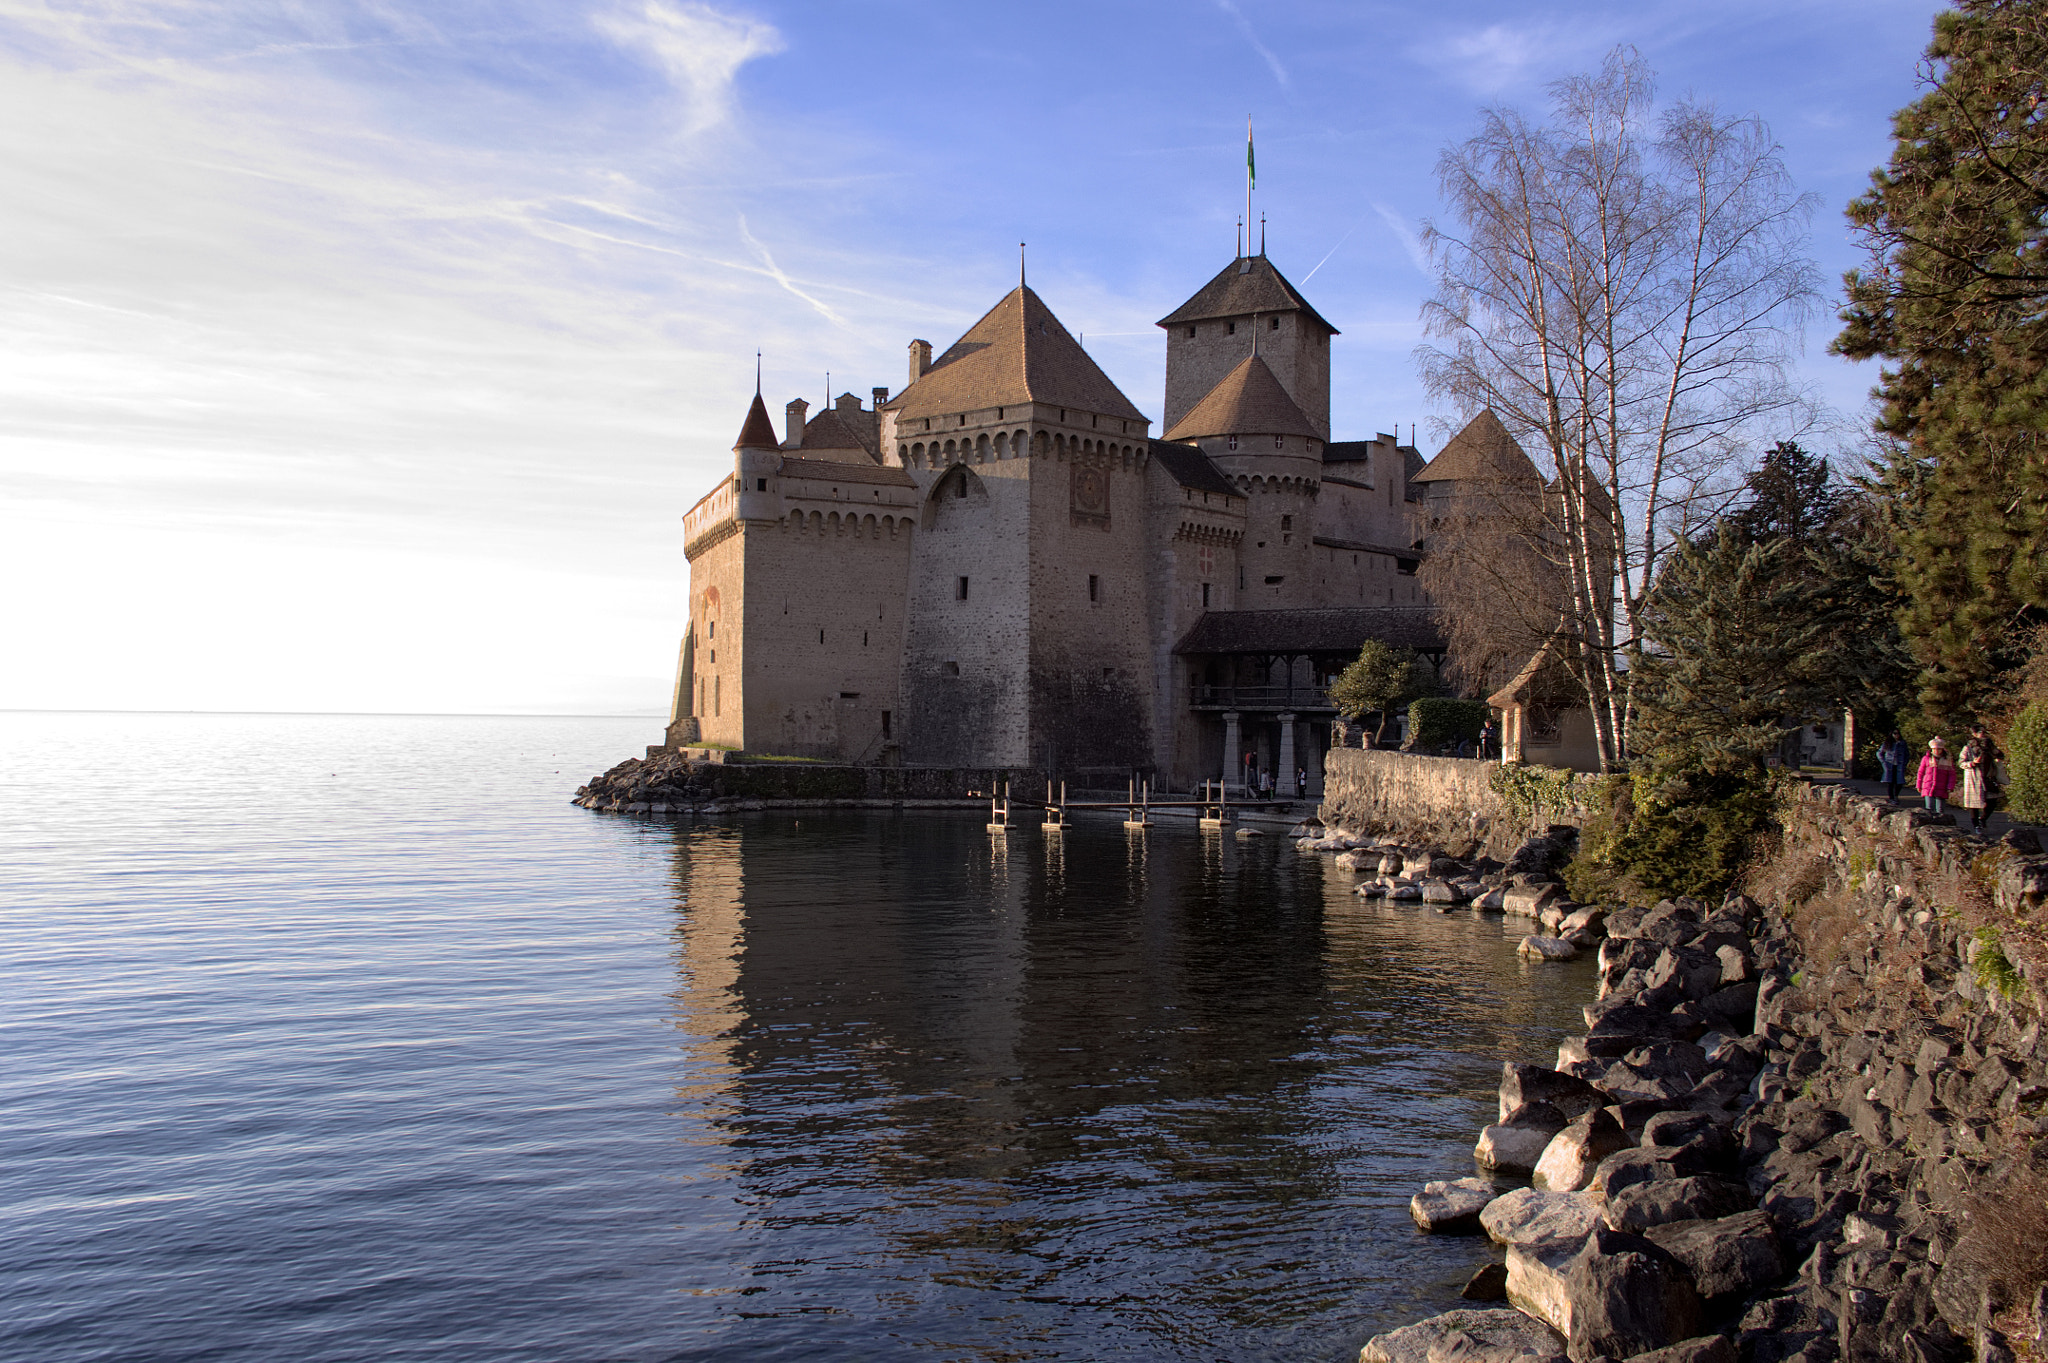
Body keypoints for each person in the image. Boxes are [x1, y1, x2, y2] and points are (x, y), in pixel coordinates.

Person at [1958, 735, 1991, 834]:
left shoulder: (1989, 745)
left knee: (1992, 800)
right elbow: (1961, 763)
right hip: (1973, 777)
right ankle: (1976, 825)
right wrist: (1972, 763)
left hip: (1988, 776)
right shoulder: (1968, 748)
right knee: (1973, 804)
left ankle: (1983, 819)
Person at [1915, 738, 1957, 814]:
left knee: (1940, 810)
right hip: (1928, 785)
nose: (1936, 751)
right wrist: (1919, 785)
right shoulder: (1926, 759)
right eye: (1934, 749)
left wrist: (1950, 786)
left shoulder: (1948, 760)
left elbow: (1952, 774)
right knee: (1928, 809)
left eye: (1938, 749)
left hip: (1942, 787)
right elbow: (1920, 772)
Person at [1878, 731, 1910, 802]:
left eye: (1898, 733)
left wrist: (1905, 763)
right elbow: (1879, 753)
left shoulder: (1903, 744)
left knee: (1899, 782)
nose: (1896, 735)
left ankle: (1896, 795)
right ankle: (1891, 798)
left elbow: (1907, 754)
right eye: (1894, 733)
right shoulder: (1887, 743)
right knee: (1891, 782)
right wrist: (1884, 762)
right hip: (1890, 765)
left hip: (1899, 765)